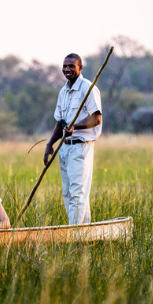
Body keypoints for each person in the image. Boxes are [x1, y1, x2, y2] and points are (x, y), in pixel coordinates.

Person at [43, 53, 102, 225]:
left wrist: (76, 126)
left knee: (78, 192)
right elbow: (60, 122)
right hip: (64, 147)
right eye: (65, 66)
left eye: (71, 66)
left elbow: (96, 118)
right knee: (69, 192)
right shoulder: (63, 91)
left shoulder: (88, 88)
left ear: (80, 68)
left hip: (80, 147)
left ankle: (73, 235)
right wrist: (49, 144)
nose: (67, 69)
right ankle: (84, 233)